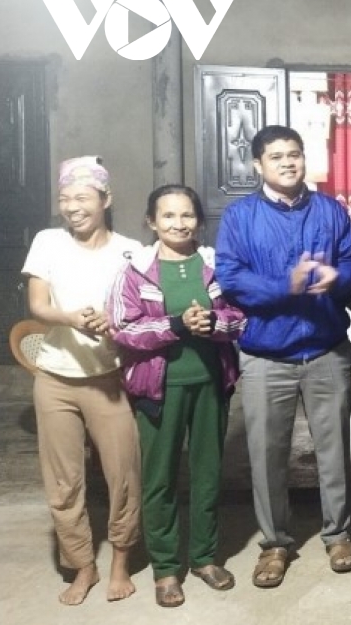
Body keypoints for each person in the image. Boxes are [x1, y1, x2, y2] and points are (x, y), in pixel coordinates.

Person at [215, 125, 351, 588]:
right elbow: (230, 277)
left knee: (333, 450)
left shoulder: (330, 210)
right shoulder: (240, 216)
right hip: (266, 355)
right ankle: (275, 542)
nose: (287, 163)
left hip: (326, 348)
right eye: (276, 156)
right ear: (258, 164)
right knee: (266, 454)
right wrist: (287, 285)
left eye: (294, 154)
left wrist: (337, 278)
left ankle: (337, 534)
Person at [107, 185, 246, 607]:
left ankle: (204, 558)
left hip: (210, 384)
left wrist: (215, 324)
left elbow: (239, 317)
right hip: (158, 389)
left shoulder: (215, 265)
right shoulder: (136, 271)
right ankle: (166, 569)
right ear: (151, 221)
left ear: (199, 221)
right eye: (168, 216)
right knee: (160, 479)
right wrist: (177, 325)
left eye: (187, 215)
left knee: (207, 474)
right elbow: (123, 329)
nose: (179, 224)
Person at [22, 156, 142, 605]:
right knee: (63, 481)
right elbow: (38, 305)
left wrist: (113, 321)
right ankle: (83, 566)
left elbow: (137, 311)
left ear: (105, 199)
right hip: (55, 378)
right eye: (65, 198)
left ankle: (121, 562)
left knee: (124, 475)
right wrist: (71, 317)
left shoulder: (130, 251)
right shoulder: (48, 241)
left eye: (82, 197)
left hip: (110, 379)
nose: (72, 207)